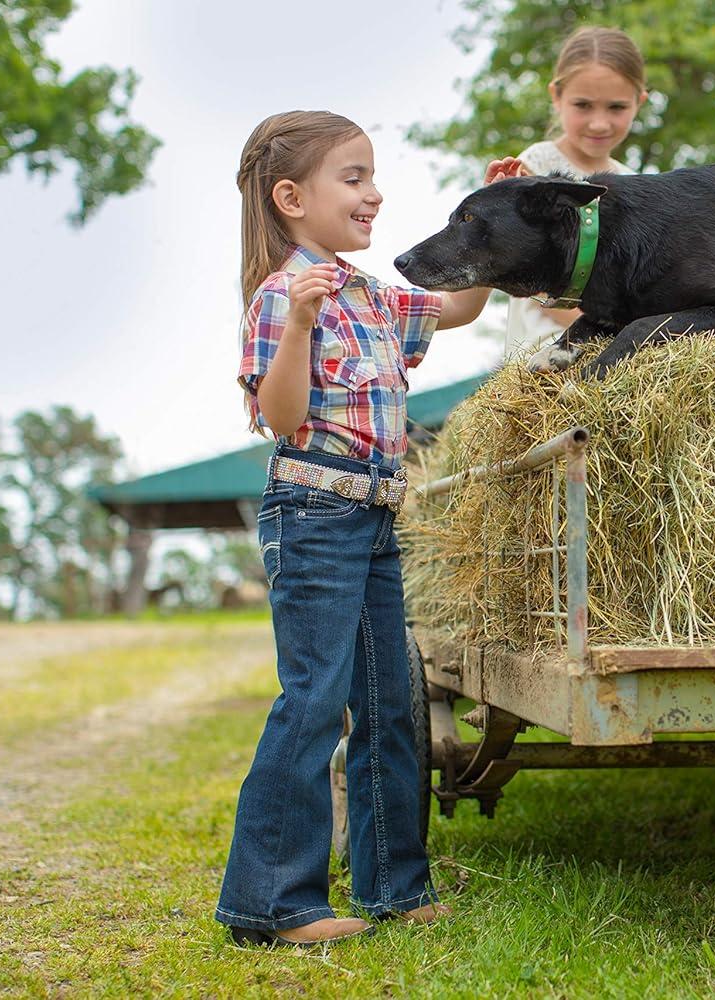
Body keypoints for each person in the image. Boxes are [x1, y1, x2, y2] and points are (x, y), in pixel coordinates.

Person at [216, 110, 490, 948]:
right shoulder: (280, 298)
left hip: (376, 512)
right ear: (291, 198)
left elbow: (461, 307)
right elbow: (281, 414)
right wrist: (299, 323)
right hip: (313, 512)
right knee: (315, 702)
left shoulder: (373, 295)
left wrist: (496, 213)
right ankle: (274, 903)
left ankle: (395, 887)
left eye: (373, 176)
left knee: (390, 702)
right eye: (355, 177)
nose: (374, 193)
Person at [483, 25, 649, 355]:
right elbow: (543, 286)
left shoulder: (634, 183)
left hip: (618, 351)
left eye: (616, 107)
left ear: (640, 101)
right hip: (546, 351)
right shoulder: (535, 171)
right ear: (556, 97)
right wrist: (620, 333)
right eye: (583, 105)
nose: (599, 123)